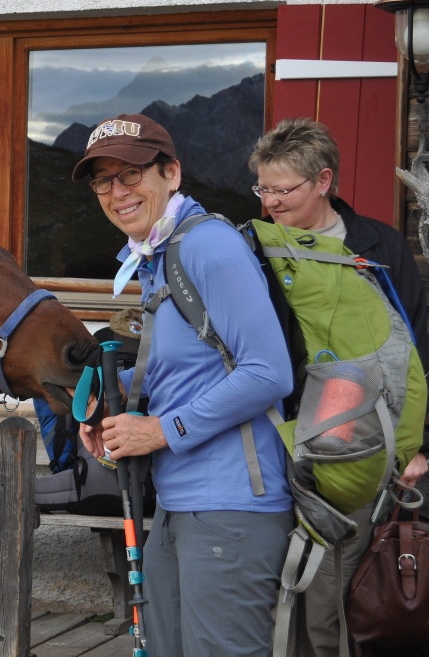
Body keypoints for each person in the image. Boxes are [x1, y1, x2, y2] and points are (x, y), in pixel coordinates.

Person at [74, 113, 294, 657]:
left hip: (232, 507)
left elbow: (269, 371)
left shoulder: (208, 246)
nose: (116, 192)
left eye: (130, 174)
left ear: (171, 173)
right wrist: (110, 397)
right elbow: (191, 368)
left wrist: (160, 431)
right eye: (104, 180)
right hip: (180, 503)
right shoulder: (158, 256)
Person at [248, 116, 429, 657]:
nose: (271, 202)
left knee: (340, 578)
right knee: (284, 576)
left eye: (283, 189)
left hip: (362, 438)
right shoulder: (259, 247)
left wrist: (418, 446)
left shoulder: (380, 244)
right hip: (281, 431)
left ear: (324, 181)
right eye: (263, 187)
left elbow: (413, 347)